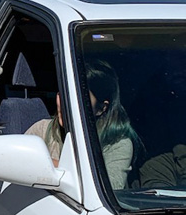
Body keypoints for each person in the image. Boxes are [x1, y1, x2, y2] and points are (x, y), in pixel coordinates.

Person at [27, 60, 139, 189]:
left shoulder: (117, 143)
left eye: (79, 99)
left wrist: (49, 165)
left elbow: (109, 187)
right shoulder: (41, 130)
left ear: (101, 108)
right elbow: (17, 165)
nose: (66, 104)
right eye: (62, 94)